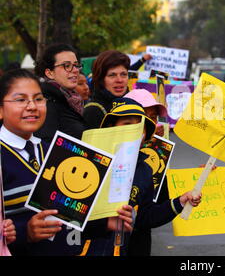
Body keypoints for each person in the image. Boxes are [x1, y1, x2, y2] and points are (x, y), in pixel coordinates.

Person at [0, 69, 132, 256]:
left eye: (38, 99)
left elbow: (69, 218)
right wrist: (25, 233)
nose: (32, 106)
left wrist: (106, 222)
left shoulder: (58, 151)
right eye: (20, 100)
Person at [81, 97, 201, 256]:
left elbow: (145, 217)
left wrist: (179, 202)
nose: (134, 131)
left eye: (140, 127)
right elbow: (69, 218)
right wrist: (104, 223)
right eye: (127, 125)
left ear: (145, 134)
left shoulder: (144, 170)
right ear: (111, 128)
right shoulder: (87, 163)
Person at [34, 43, 87, 142]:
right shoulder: (46, 103)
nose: (75, 70)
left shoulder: (73, 100)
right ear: (49, 73)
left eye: (76, 65)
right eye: (67, 66)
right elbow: (46, 146)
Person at [83, 50, 130, 130]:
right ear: (101, 79)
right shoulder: (93, 111)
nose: (119, 80)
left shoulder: (131, 104)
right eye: (112, 75)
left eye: (123, 74)